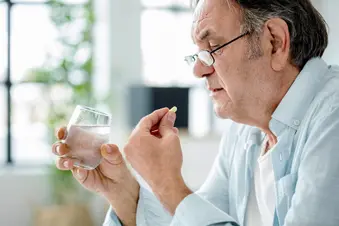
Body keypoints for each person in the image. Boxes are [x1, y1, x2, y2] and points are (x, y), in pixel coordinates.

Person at [52, 0, 339, 225]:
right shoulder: (245, 133)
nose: (198, 70)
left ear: (274, 41)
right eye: (198, 53)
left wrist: (167, 183)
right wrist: (124, 194)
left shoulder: (333, 117)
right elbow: (199, 217)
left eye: (213, 47)